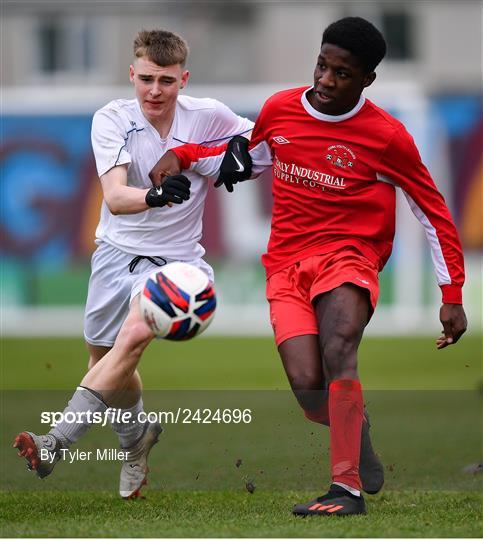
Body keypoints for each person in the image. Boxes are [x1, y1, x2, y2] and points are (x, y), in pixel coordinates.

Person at [150, 17, 467, 516]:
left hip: (350, 256)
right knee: (307, 388)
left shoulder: (387, 136)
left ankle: (346, 490)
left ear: (367, 80)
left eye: (342, 73)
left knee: (340, 344)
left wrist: (452, 296)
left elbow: (432, 211)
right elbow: (243, 156)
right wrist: (182, 155)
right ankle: (353, 429)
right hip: (287, 265)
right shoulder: (281, 109)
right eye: (322, 65)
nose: (325, 80)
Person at [13, 29, 253, 499]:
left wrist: (245, 149)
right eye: (146, 79)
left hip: (179, 264)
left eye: (166, 80)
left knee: (133, 337)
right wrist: (157, 194)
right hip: (114, 255)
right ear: (132, 74)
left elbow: (259, 141)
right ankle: (136, 438)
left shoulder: (209, 116)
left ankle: (54, 442)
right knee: (105, 360)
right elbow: (118, 198)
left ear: (184, 79)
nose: (155, 91)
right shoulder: (112, 119)